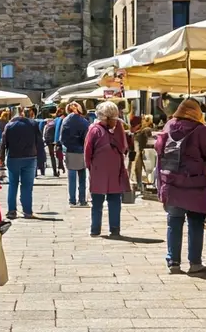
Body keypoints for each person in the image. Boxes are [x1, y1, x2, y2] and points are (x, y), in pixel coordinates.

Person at [155, 99, 206, 274]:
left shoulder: (169, 125)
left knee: (174, 222)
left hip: (171, 181)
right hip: (194, 184)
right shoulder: (202, 130)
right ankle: (195, 263)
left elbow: (159, 149)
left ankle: (173, 262)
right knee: (195, 223)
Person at [86, 101, 130, 238]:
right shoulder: (112, 129)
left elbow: (88, 151)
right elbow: (123, 147)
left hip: (100, 170)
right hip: (112, 170)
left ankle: (97, 229)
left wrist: (90, 167)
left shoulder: (94, 130)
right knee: (112, 200)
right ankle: (111, 229)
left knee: (100, 202)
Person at [0, 107, 46, 219]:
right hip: (30, 158)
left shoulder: (9, 126)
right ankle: (27, 211)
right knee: (27, 186)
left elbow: (3, 143)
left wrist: (1, 157)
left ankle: (11, 211)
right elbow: (39, 142)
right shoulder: (33, 125)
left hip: (13, 158)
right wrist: (41, 159)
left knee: (13, 185)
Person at [59, 102, 90, 207]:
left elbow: (62, 138)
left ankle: (72, 200)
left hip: (70, 151)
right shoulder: (84, 122)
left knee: (71, 178)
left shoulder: (65, 121)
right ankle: (82, 200)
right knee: (82, 177)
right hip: (81, 151)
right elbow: (87, 139)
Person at [132, 115, 154, 191]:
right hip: (141, 152)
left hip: (142, 152)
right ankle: (142, 184)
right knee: (143, 169)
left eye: (144, 119)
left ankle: (141, 184)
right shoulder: (144, 129)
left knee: (140, 170)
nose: (142, 120)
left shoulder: (145, 129)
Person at [42, 108, 61, 177]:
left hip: (48, 141)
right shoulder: (56, 122)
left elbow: (44, 134)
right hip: (55, 140)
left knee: (51, 156)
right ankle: (56, 171)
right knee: (57, 156)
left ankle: (44, 171)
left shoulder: (46, 124)